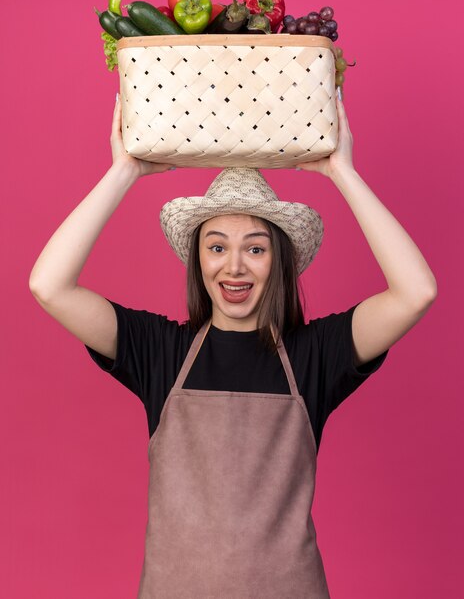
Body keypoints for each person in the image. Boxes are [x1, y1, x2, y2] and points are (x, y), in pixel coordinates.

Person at [29, 92, 437, 598]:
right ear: (198, 261)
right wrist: (124, 172)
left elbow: (416, 292)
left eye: (256, 248)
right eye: (216, 246)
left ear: (279, 262)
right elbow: (49, 285)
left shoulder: (316, 355)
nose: (235, 266)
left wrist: (342, 174)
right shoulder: (160, 352)